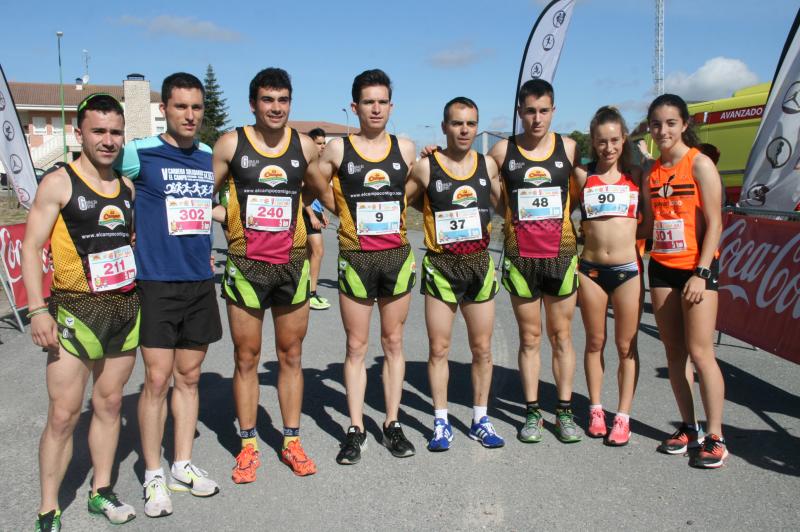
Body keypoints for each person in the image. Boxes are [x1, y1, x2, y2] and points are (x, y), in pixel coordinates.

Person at [22, 93, 138, 530]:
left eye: (115, 132)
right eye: (99, 132)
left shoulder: (126, 188)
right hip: (74, 312)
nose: (108, 141)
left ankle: (101, 491)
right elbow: (32, 249)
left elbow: (127, 244)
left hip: (124, 309)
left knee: (109, 405)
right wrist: (36, 310)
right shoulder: (59, 183)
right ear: (80, 134)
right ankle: (48, 508)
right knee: (64, 414)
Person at [116, 72, 222, 518]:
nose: (190, 115)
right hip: (156, 281)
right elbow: (104, 181)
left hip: (199, 281)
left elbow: (202, 209)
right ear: (165, 108)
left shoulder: (206, 155)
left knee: (191, 378)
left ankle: (182, 464)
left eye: (196, 107)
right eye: (181, 107)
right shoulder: (139, 153)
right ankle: (153, 473)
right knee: (157, 380)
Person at [212, 67, 321, 482]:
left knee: (291, 356)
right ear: (253, 103)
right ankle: (248, 445)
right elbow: (202, 192)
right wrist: (223, 214)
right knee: (246, 358)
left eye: (283, 100)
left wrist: (303, 208)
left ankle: (291, 442)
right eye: (268, 100)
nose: (276, 108)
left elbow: (314, 187)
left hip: (292, 265)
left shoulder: (305, 146)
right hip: (246, 265)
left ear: (290, 102)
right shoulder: (230, 143)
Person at [316, 69, 418, 464]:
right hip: (356, 259)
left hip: (395, 257)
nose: (375, 108)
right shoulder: (339, 150)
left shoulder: (406, 148)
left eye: (382, 102)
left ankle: (392, 423)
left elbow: (414, 186)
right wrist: (338, 207)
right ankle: (356, 428)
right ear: (355, 107)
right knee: (356, 346)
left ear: (391, 106)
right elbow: (315, 181)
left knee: (393, 344)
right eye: (368, 102)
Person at [487, 79, 583, 444]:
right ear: (520, 112)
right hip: (520, 256)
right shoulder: (502, 150)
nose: (537, 118)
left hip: (560, 254)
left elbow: (580, 191)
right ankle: (531, 414)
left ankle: (564, 411)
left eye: (543, 111)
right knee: (530, 338)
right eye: (530, 111)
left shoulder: (569, 148)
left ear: (553, 111)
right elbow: (475, 177)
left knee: (562, 337)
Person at [406, 97, 504, 450]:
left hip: (478, 264)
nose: (464, 130)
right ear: (445, 126)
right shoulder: (426, 167)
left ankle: (480, 419)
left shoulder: (487, 165)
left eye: (470, 123)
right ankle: (441, 421)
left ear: (477, 127)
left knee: (482, 349)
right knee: (439, 348)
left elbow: (503, 205)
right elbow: (405, 201)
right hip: (441, 266)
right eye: (457, 123)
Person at [641, 93, 728, 468]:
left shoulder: (700, 164)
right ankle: (689, 428)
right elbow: (649, 223)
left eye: (671, 123)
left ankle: (716, 436)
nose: (663, 130)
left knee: (701, 352)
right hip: (661, 266)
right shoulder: (651, 171)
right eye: (657, 124)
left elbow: (716, 223)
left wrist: (702, 272)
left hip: (697, 269)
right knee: (674, 353)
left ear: (685, 124)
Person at [573, 106, 645, 446]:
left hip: (628, 270)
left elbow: (651, 218)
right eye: (601, 141)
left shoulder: (637, 174)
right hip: (591, 270)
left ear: (624, 139)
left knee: (626, 345)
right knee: (595, 342)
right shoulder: (582, 175)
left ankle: (624, 416)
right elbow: (564, 214)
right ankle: (597, 408)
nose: (608, 148)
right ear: (593, 141)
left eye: (615, 140)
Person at [304, 127, 332, 310]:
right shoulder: (306, 164)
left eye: (324, 143)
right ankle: (311, 294)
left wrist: (321, 212)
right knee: (318, 250)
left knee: (308, 254)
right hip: (303, 213)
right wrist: (312, 215)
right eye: (319, 143)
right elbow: (301, 195)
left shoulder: (321, 164)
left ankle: (305, 292)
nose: (322, 146)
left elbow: (317, 193)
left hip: (313, 212)